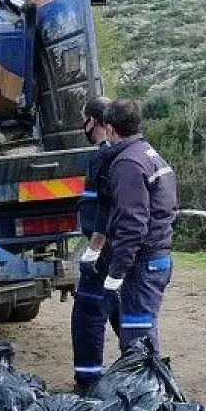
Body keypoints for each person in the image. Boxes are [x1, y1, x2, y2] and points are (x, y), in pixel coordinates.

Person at [97, 99, 177, 355]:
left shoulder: (127, 164)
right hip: (158, 254)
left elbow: (132, 225)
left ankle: (148, 391)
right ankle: (149, 386)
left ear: (109, 129)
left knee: (138, 338)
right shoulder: (148, 153)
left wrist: (116, 273)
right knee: (141, 330)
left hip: (144, 262)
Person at [71, 96, 120, 390]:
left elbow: (107, 209)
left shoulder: (106, 157)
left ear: (94, 121)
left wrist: (95, 249)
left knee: (89, 312)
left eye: (83, 118)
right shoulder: (121, 153)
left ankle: (88, 379)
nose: (82, 125)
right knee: (119, 310)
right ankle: (140, 368)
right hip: (116, 249)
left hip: (106, 249)